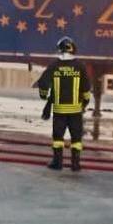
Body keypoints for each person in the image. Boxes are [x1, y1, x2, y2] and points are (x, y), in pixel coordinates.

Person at [37, 36, 92, 171]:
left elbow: (43, 82)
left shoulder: (54, 65)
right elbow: (86, 87)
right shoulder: (80, 66)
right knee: (76, 139)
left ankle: (57, 163)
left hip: (59, 110)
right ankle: (75, 164)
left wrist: (44, 96)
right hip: (75, 111)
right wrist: (85, 102)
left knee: (57, 137)